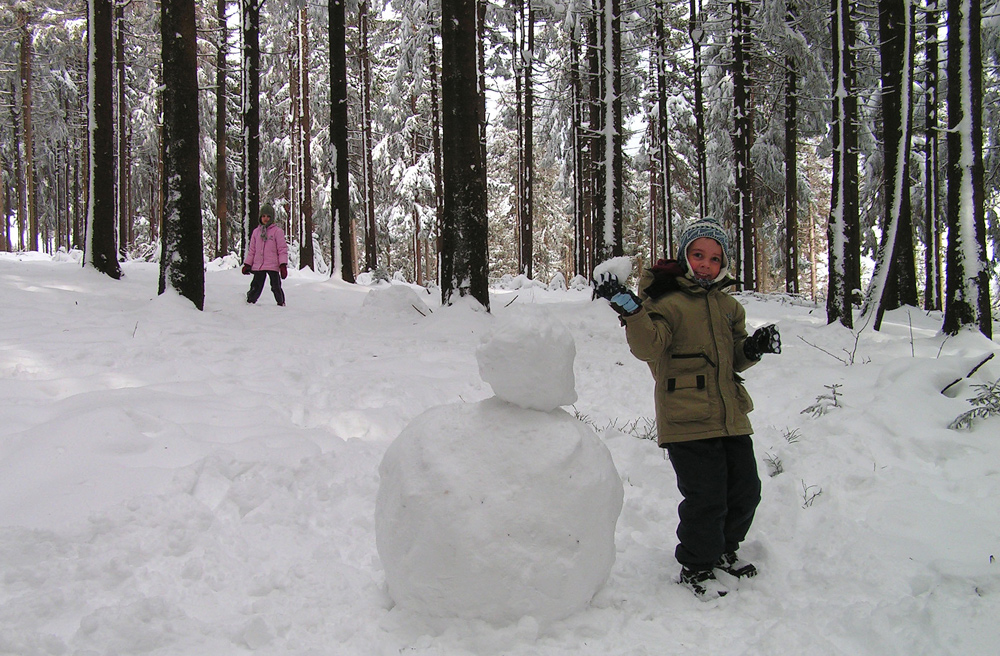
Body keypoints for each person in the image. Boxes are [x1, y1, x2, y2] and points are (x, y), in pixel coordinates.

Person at [593, 217, 781, 601]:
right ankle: (697, 566)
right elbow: (649, 347)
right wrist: (630, 308)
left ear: (724, 263)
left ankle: (724, 550)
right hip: (686, 417)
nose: (706, 264)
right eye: (698, 255)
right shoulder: (667, 303)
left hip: (730, 416)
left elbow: (735, 359)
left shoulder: (730, 307)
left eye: (714, 258)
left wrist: (755, 347)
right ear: (684, 256)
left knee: (746, 490)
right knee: (707, 497)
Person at [242, 204, 288, 306]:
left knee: (275, 286)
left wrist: (283, 265)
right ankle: (249, 302)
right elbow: (252, 250)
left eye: (268, 216)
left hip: (273, 264)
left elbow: (282, 249)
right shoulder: (256, 232)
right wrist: (247, 264)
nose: (266, 219)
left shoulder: (277, 232)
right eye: (263, 216)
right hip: (259, 265)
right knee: (256, 285)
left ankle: (281, 303)